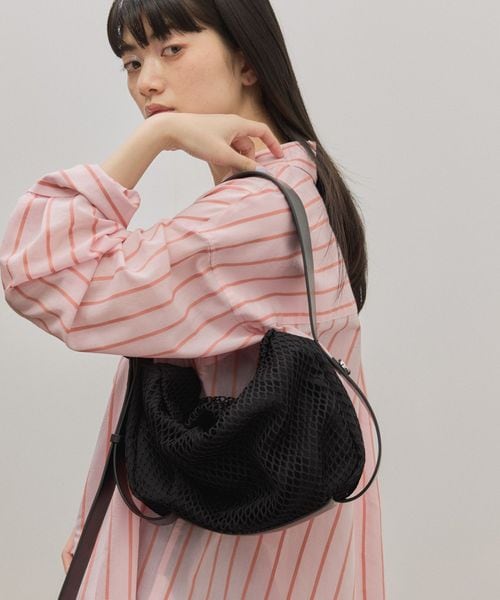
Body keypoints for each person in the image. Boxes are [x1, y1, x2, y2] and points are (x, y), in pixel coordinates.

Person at [0, 0, 385, 598]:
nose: (146, 82)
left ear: (247, 61)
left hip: (214, 566)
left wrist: (155, 136)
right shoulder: (294, 186)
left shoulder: (253, 216)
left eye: (172, 49)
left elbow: (42, 272)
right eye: (132, 62)